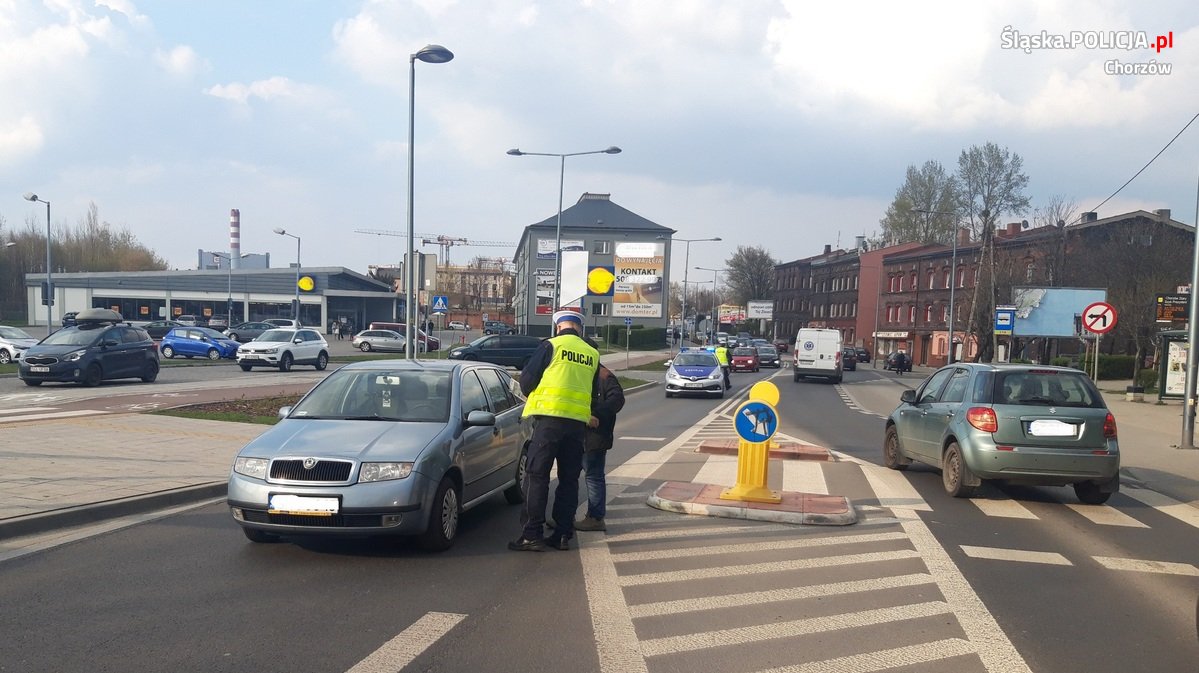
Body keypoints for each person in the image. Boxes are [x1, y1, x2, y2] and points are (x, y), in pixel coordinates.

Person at [509, 309, 600, 552]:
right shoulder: (591, 353)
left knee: (536, 476)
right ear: (579, 328)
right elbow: (594, 393)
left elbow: (527, 382)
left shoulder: (551, 346)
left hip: (549, 422)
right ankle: (562, 534)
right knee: (569, 480)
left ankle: (532, 534)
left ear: (558, 326)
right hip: (576, 425)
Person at [575, 362, 625, 532]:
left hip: (595, 436)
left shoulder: (603, 375)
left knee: (593, 477)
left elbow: (617, 399)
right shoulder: (582, 371)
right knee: (570, 476)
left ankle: (595, 517)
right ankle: (565, 516)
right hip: (578, 435)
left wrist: (595, 413)